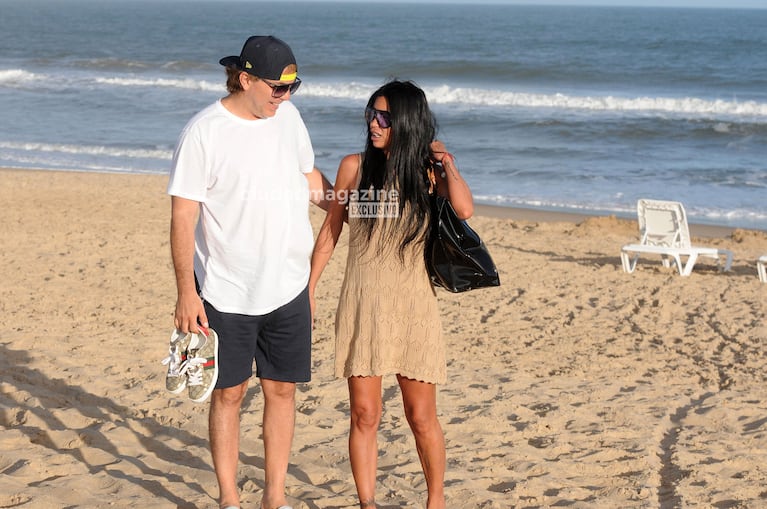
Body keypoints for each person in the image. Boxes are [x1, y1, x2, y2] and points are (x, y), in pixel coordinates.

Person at [167, 35, 331, 509]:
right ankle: (229, 498)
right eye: (277, 88)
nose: (286, 97)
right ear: (244, 79)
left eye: (292, 87)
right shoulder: (204, 131)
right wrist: (186, 292)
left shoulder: (290, 119)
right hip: (224, 290)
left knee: (282, 391)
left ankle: (274, 497)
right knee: (229, 395)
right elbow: (183, 217)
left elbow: (309, 178)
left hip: (288, 284)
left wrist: (351, 205)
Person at [308, 80, 473, 509]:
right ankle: (368, 503)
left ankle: (435, 500)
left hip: (414, 308)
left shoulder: (426, 174)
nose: (373, 123)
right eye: (371, 114)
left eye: (383, 117)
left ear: (405, 122)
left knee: (421, 417)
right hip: (363, 304)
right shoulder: (354, 167)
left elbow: (464, 210)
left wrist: (445, 162)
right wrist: (308, 290)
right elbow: (330, 233)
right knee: (365, 415)